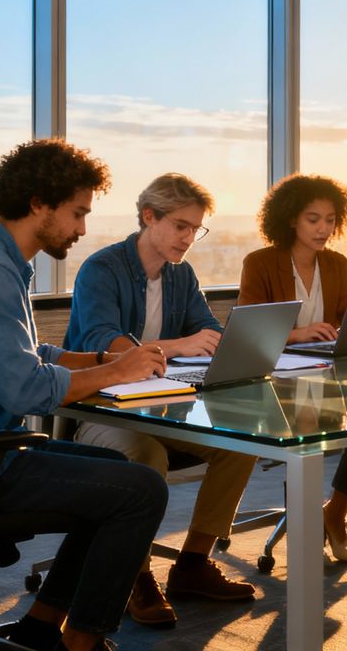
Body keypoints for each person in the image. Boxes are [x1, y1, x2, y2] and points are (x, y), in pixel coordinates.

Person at [0, 139, 169, 651]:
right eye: (77, 213)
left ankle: (41, 627)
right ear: (39, 203)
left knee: (118, 480)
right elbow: (24, 388)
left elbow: (26, 353)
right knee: (140, 492)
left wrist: (98, 362)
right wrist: (117, 375)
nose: (83, 229)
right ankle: (80, 645)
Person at [65, 172, 258, 629]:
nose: (189, 239)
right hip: (102, 408)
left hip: (165, 405)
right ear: (149, 217)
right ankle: (136, 575)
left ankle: (192, 564)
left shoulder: (181, 275)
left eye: (196, 229)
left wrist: (219, 345)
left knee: (241, 441)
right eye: (181, 226)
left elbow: (206, 332)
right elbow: (101, 341)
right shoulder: (102, 269)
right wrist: (178, 346)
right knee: (144, 455)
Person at [237, 173, 347, 564]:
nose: (323, 229)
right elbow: (249, 331)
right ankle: (306, 531)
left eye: (330, 219)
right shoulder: (261, 263)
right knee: (303, 426)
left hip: (326, 373)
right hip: (275, 381)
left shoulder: (336, 263)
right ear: (290, 219)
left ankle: (334, 514)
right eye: (313, 219)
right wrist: (297, 334)